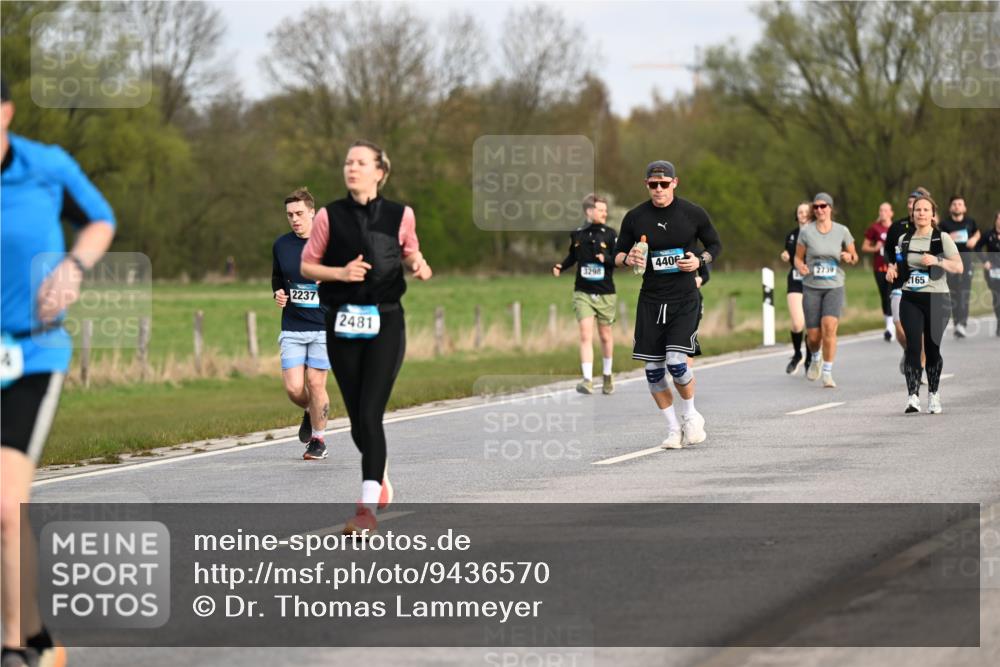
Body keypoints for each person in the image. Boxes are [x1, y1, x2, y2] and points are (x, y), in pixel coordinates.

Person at [1, 78, 116, 667]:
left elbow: (100, 219)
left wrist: (73, 266)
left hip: (30, 354)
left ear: (6, 112)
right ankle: (35, 632)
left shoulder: (46, 167)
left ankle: (20, 644)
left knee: (5, 505)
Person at [300, 140, 432, 535]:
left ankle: (366, 508)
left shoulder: (400, 214)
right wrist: (340, 273)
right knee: (358, 417)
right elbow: (308, 266)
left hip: (385, 321)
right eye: (348, 162)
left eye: (360, 162)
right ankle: (380, 473)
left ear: (380, 171)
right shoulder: (329, 216)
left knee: (371, 412)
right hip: (341, 322)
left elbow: (410, 250)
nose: (352, 168)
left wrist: (418, 264)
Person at [613, 160, 722, 449]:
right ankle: (673, 429)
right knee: (653, 371)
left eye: (664, 183)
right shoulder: (635, 217)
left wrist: (700, 261)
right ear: (646, 185)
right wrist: (627, 259)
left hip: (684, 299)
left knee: (676, 362)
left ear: (675, 183)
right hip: (651, 300)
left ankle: (691, 415)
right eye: (653, 184)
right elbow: (617, 253)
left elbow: (715, 245)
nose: (658, 189)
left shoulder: (692, 213)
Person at [885, 195, 963, 413]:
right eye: (917, 210)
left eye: (925, 210)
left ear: (933, 214)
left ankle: (934, 394)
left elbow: (958, 267)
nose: (921, 213)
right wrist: (893, 270)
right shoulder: (904, 240)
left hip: (937, 299)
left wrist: (937, 260)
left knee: (932, 349)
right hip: (910, 297)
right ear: (913, 213)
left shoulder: (941, 238)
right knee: (913, 347)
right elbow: (900, 265)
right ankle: (912, 397)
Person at [272, 187, 331, 460]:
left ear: (312, 212)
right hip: (293, 326)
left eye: (299, 213)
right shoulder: (281, 245)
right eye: (289, 215)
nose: (294, 219)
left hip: (323, 327)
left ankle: (318, 440)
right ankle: (310, 410)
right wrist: (278, 293)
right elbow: (277, 278)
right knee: (294, 389)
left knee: (316, 383)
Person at [552, 194, 617, 395]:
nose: (604, 213)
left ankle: (607, 375)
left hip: (605, 292)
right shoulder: (577, 234)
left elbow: (617, 259)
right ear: (589, 211)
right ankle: (587, 380)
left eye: (605, 210)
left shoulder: (610, 234)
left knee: (605, 336)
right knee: (585, 335)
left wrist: (605, 258)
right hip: (583, 292)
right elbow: (573, 256)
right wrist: (561, 266)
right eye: (600, 210)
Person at [794, 192, 858, 388]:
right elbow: (797, 257)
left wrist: (849, 257)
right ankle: (816, 357)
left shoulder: (842, 231)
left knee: (829, 327)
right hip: (812, 287)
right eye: (816, 207)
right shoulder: (806, 232)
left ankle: (828, 373)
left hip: (834, 286)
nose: (819, 210)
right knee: (814, 336)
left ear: (830, 208)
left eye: (823, 206)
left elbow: (854, 256)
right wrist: (800, 266)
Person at [884, 187, 931, 373]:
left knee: (920, 331)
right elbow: (888, 252)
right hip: (900, 283)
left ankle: (919, 366)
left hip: (924, 285)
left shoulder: (933, 229)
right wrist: (890, 266)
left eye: (917, 204)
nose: (913, 207)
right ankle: (909, 351)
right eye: (910, 203)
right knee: (900, 330)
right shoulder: (897, 227)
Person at [939, 196, 980, 338]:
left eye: (960, 204)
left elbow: (977, 232)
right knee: (954, 292)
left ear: (964, 208)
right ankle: (957, 322)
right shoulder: (944, 224)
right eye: (954, 204)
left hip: (967, 260)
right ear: (950, 208)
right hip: (951, 261)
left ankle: (962, 324)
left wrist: (974, 239)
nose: (957, 206)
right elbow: (938, 239)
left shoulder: (970, 222)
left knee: (964, 291)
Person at [779, 202, 813, 373]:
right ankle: (797, 354)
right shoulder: (791, 235)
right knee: (798, 323)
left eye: (806, 211)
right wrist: (785, 255)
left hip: (813, 281)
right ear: (796, 215)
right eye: (800, 212)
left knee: (812, 324)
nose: (803, 214)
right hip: (795, 280)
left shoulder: (817, 233)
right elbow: (789, 254)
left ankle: (810, 357)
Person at [862, 202, 896, 341]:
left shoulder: (896, 228)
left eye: (885, 210)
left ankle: (890, 328)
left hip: (894, 267)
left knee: (890, 294)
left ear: (891, 213)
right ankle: (889, 324)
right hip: (879, 268)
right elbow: (864, 247)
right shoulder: (874, 228)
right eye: (881, 210)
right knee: (884, 296)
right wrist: (875, 248)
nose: (883, 213)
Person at [980, 211, 1000, 337]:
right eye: (999, 218)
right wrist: (985, 261)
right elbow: (977, 247)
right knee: (997, 297)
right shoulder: (988, 234)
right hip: (993, 271)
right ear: (996, 220)